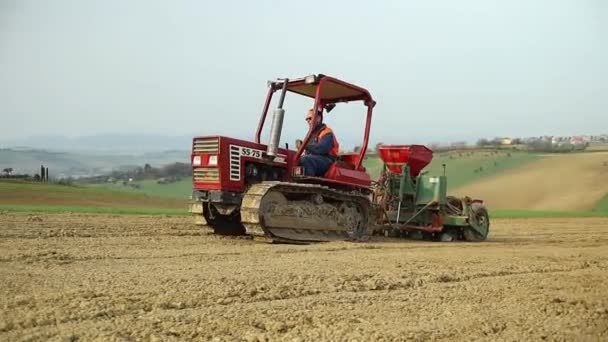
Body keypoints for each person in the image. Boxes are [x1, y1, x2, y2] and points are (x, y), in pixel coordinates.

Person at [299, 107, 339, 176]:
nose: (308, 120)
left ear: (318, 118)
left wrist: (305, 146)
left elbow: (322, 149)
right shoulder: (311, 134)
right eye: (307, 119)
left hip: (326, 160)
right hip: (315, 158)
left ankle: (308, 183)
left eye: (310, 118)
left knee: (306, 159)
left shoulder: (327, 132)